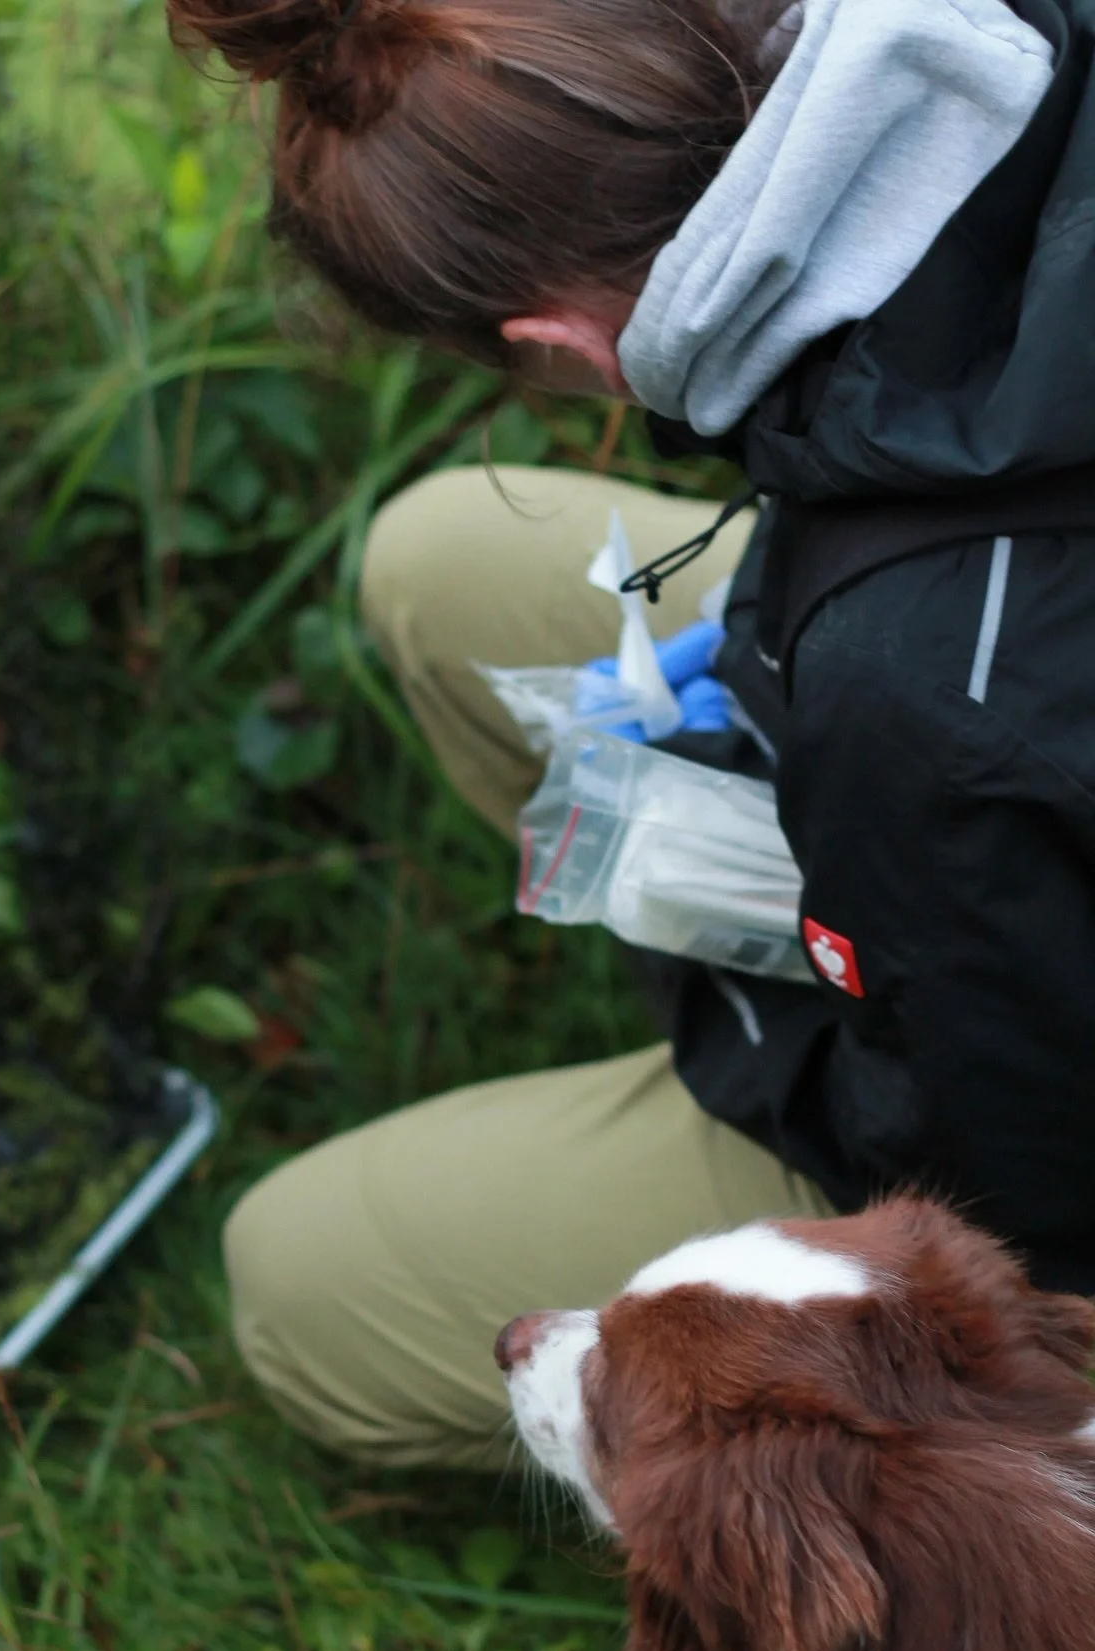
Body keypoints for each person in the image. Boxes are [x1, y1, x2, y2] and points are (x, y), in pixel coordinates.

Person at [167, 0, 1095, 1469]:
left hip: (1037, 1132)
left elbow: (1000, 1223)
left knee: (301, 1286)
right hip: (994, 680)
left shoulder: (915, 695)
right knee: (443, 565)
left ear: (556, 342)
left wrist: (719, 919)